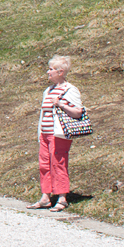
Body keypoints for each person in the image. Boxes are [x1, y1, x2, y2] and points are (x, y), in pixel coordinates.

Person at [28, 55, 85, 213]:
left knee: (58, 163)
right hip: (45, 134)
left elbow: (78, 111)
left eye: (51, 69)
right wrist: (40, 133)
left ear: (60, 72)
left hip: (58, 134)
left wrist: (60, 104)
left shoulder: (70, 90)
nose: (48, 72)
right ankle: (45, 197)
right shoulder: (48, 90)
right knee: (44, 165)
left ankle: (61, 198)